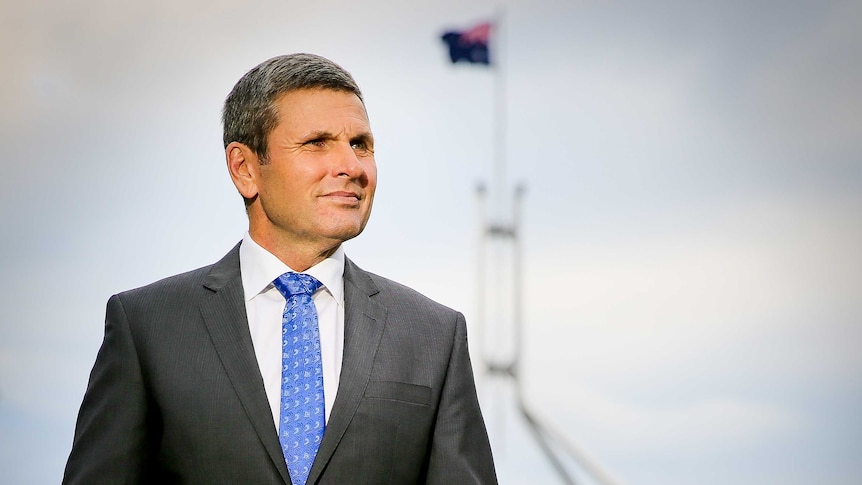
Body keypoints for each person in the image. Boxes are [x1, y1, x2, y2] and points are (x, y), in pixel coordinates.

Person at [63, 53, 497, 484]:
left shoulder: (432, 336)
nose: (350, 166)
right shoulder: (149, 326)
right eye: (317, 143)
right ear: (245, 168)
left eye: (360, 144)